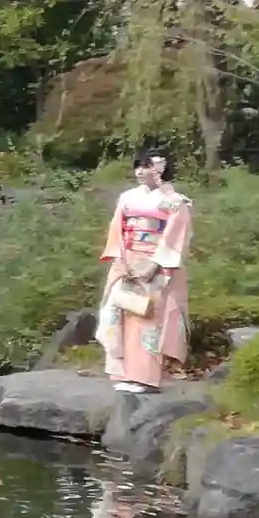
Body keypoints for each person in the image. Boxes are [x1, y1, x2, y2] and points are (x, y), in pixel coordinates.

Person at [97, 145, 192, 393]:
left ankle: (146, 378)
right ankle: (123, 373)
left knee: (148, 317)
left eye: (148, 167)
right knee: (119, 312)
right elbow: (117, 229)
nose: (141, 171)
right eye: (139, 166)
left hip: (156, 263)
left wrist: (155, 264)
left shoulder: (175, 201)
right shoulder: (127, 197)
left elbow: (177, 236)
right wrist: (122, 260)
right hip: (127, 259)